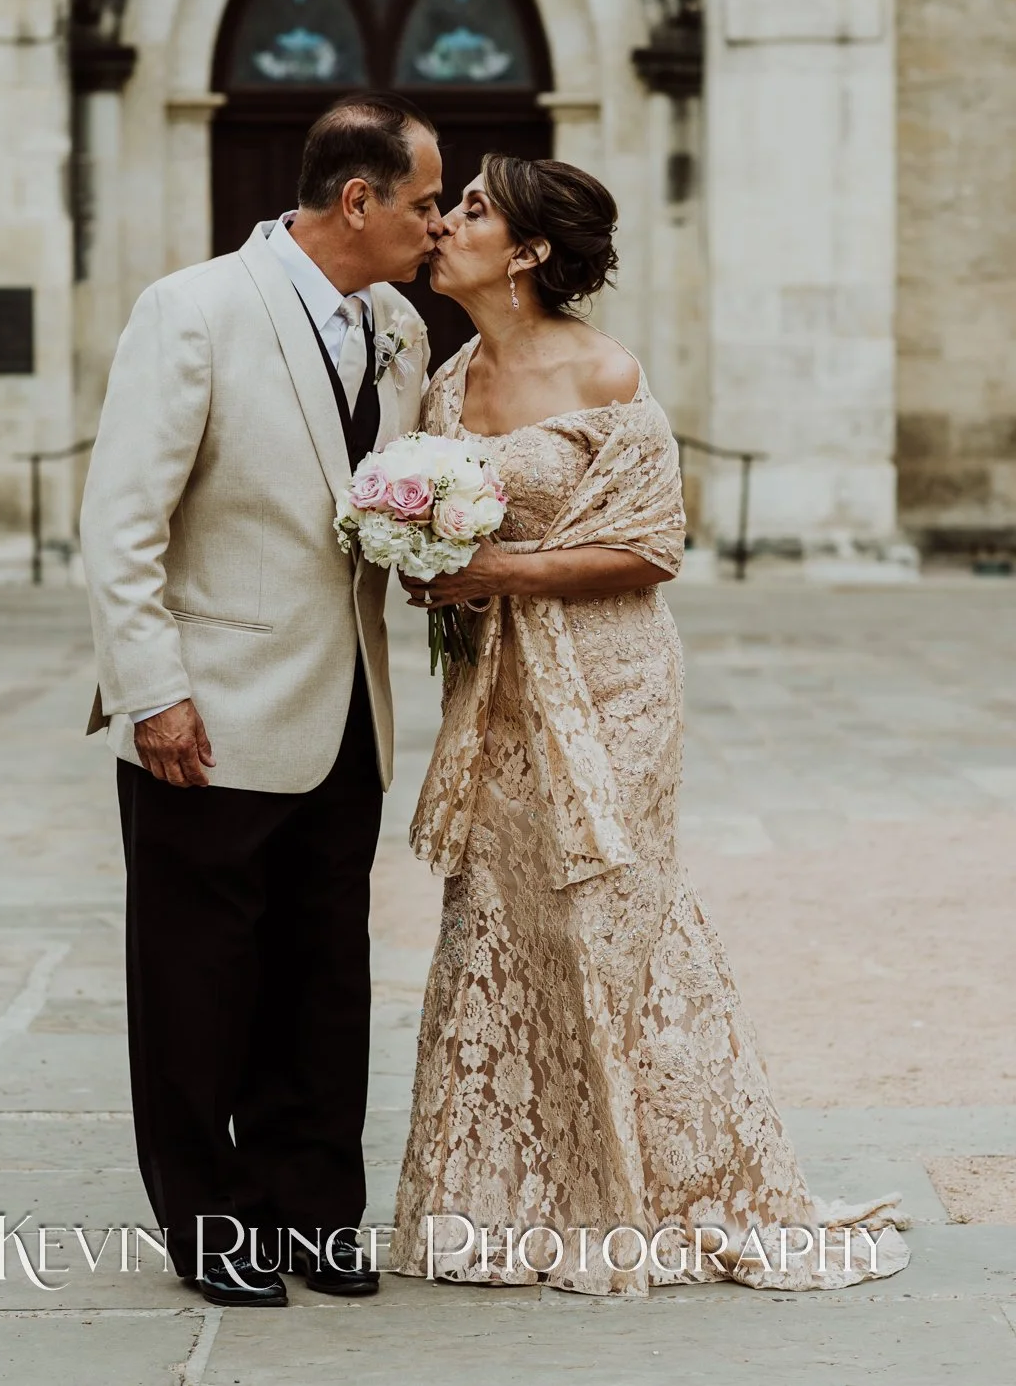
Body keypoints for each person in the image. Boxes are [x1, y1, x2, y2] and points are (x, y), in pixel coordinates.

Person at [390, 154, 909, 1295]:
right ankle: (504, 1199)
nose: (446, 222)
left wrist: (495, 567)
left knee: (608, 919)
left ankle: (648, 1189)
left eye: (472, 208)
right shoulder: (448, 377)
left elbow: (652, 546)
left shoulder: (605, 370)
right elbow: (443, 536)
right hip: (497, 695)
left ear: (528, 252)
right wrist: (426, 564)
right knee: (499, 912)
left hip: (611, 685)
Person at [79, 93, 442, 1308]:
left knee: (327, 972)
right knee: (198, 981)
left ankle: (314, 1210)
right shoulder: (192, 310)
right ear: (358, 200)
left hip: (347, 712)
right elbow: (121, 525)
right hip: (209, 712)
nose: (437, 227)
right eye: (425, 202)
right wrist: (152, 693)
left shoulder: (399, 327)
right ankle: (213, 1225)